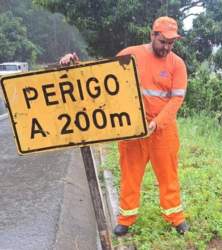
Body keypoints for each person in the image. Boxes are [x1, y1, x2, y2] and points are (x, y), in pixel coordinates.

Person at [60, 16, 189, 236]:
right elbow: (100, 78)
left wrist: (156, 124)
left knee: (169, 175)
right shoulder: (131, 55)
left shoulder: (177, 64)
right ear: (152, 35)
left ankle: (175, 218)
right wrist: (75, 65)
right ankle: (126, 219)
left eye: (171, 43)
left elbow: (176, 100)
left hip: (162, 131)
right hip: (132, 130)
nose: (167, 47)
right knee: (130, 175)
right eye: (163, 42)